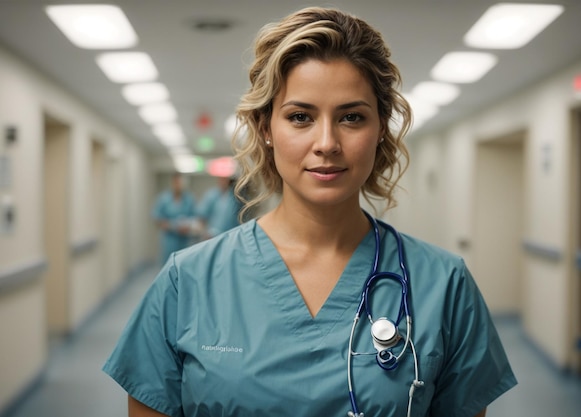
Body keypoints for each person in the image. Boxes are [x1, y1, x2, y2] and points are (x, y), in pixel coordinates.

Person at [103, 7, 517, 417]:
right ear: (266, 128)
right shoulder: (186, 281)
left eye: (351, 117)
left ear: (380, 129)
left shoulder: (443, 285)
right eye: (300, 117)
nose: (326, 143)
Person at [151, 172, 196, 265]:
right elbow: (157, 218)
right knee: (168, 265)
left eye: (180, 182)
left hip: (184, 240)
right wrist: (172, 227)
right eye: (176, 182)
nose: (178, 185)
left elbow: (194, 217)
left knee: (183, 265)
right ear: (172, 183)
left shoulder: (188, 199)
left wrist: (188, 226)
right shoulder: (164, 199)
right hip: (169, 240)